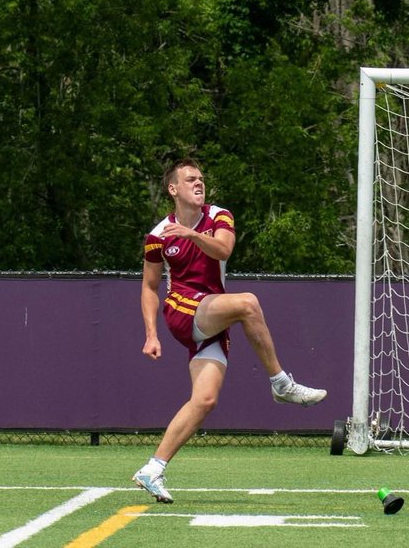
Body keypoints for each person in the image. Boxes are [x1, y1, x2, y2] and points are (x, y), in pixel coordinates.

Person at [132, 158, 325, 504]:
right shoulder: (157, 235)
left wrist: (191, 234)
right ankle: (281, 384)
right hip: (181, 310)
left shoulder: (219, 215)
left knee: (205, 400)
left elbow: (223, 248)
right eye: (190, 179)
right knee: (248, 304)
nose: (199, 183)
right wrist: (151, 334)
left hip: (210, 314)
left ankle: (152, 469)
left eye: (201, 179)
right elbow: (149, 287)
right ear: (173, 189)